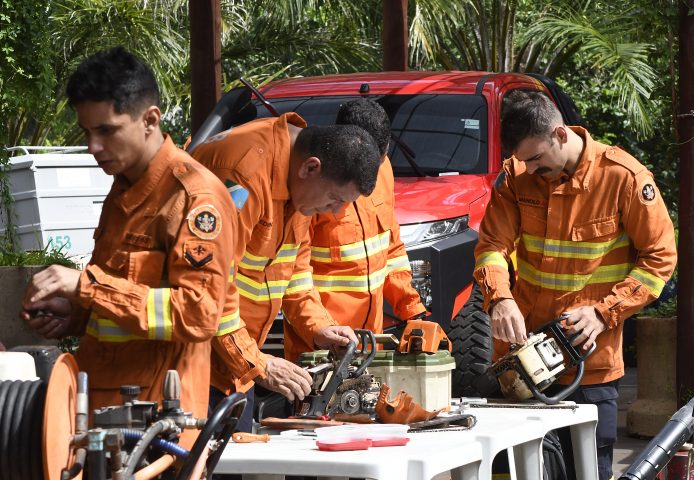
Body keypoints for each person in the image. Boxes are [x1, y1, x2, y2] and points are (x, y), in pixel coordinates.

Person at [20, 47, 239, 447]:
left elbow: (198, 314)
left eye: (106, 130)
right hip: (102, 415)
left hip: (158, 428)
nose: (93, 146)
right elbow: (121, 303)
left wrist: (86, 287)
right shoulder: (123, 190)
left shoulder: (194, 199)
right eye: (87, 132)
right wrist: (73, 314)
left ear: (150, 120)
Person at [473, 89, 677, 480]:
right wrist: (499, 299)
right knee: (511, 471)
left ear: (561, 134)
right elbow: (492, 247)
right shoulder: (516, 177)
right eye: (523, 161)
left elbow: (660, 258)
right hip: (520, 363)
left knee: (588, 470)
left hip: (590, 363)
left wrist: (604, 313)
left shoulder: (624, 178)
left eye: (536, 158)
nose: (531, 169)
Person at [190, 112, 381, 427]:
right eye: (334, 199)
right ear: (311, 167)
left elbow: (295, 272)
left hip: (233, 366)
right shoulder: (242, 174)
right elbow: (208, 286)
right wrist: (259, 363)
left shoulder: (298, 184)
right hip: (191, 366)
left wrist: (319, 327)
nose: (334, 213)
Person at [283, 98, 426, 362]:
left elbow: (391, 248)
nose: (372, 172)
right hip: (320, 348)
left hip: (370, 346)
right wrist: (322, 329)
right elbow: (294, 274)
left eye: (378, 163)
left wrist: (412, 310)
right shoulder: (312, 190)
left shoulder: (384, 170)